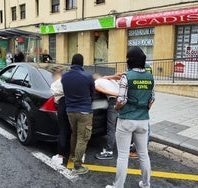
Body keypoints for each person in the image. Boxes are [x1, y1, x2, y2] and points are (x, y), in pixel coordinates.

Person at [106, 46, 155, 188]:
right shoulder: (150, 77)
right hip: (143, 120)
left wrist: (116, 108)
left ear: (130, 61)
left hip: (126, 120)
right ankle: (146, 184)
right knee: (143, 154)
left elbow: (121, 100)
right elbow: (152, 100)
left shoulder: (126, 77)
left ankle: (118, 186)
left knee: (122, 155)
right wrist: (143, 110)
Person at [61, 53, 95, 175]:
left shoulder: (64, 76)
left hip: (70, 110)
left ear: (71, 62)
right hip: (84, 111)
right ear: (82, 63)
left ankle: (72, 155)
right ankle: (77, 166)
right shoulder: (87, 76)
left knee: (74, 134)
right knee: (83, 137)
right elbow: (92, 93)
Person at [93, 73, 121, 160]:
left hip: (114, 101)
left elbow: (102, 91)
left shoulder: (96, 82)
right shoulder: (109, 80)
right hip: (122, 101)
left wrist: (117, 94)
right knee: (123, 124)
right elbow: (106, 77)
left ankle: (109, 151)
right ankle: (131, 146)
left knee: (111, 127)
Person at [50, 65, 71, 167]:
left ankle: (60, 156)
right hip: (73, 105)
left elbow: (55, 97)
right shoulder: (68, 80)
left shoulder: (55, 84)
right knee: (72, 130)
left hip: (62, 106)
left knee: (63, 130)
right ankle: (73, 153)